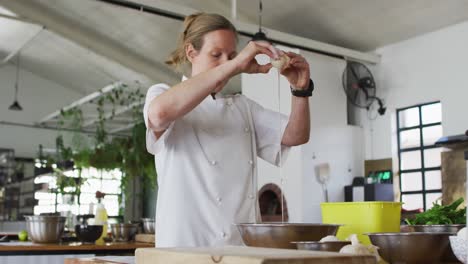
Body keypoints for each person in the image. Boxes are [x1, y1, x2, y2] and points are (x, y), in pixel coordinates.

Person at [143, 12, 312, 247]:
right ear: (191, 52)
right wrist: (234, 65)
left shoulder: (243, 107)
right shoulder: (161, 94)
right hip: (183, 251)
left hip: (240, 251)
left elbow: (295, 135)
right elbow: (159, 114)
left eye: (231, 55)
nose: (227, 63)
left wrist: (300, 90)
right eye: (216, 55)